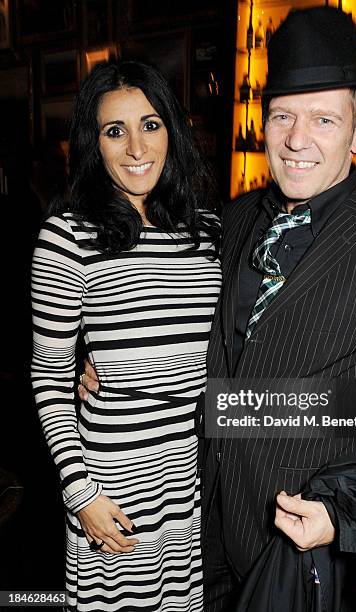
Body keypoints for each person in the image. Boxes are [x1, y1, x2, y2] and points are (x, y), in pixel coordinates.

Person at [200, 7, 356, 611]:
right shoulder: (232, 222)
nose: (297, 139)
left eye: (323, 119)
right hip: (199, 533)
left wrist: (340, 516)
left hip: (300, 555)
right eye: (283, 115)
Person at [31, 60, 221, 612]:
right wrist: (80, 492)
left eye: (151, 125)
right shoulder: (68, 236)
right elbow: (48, 373)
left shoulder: (204, 231)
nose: (137, 147)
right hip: (112, 480)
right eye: (116, 131)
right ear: (95, 143)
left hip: (184, 474)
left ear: (173, 130)